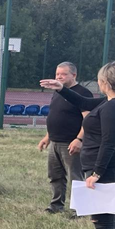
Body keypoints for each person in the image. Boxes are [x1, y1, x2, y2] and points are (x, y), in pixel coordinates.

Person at [41, 62, 115, 229]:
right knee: (109, 221)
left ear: (104, 82)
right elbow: (84, 101)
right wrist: (61, 88)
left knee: (102, 223)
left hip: (109, 171)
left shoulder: (114, 108)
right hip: (114, 168)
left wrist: (96, 173)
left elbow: (109, 144)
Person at [37, 62, 92, 214]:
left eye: (63, 74)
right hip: (55, 141)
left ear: (74, 75)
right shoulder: (58, 92)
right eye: (57, 74)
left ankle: (79, 209)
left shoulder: (83, 93)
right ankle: (56, 206)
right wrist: (47, 137)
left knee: (76, 177)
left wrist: (79, 139)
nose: (59, 77)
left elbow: (88, 119)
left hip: (71, 142)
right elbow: (56, 115)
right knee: (55, 175)